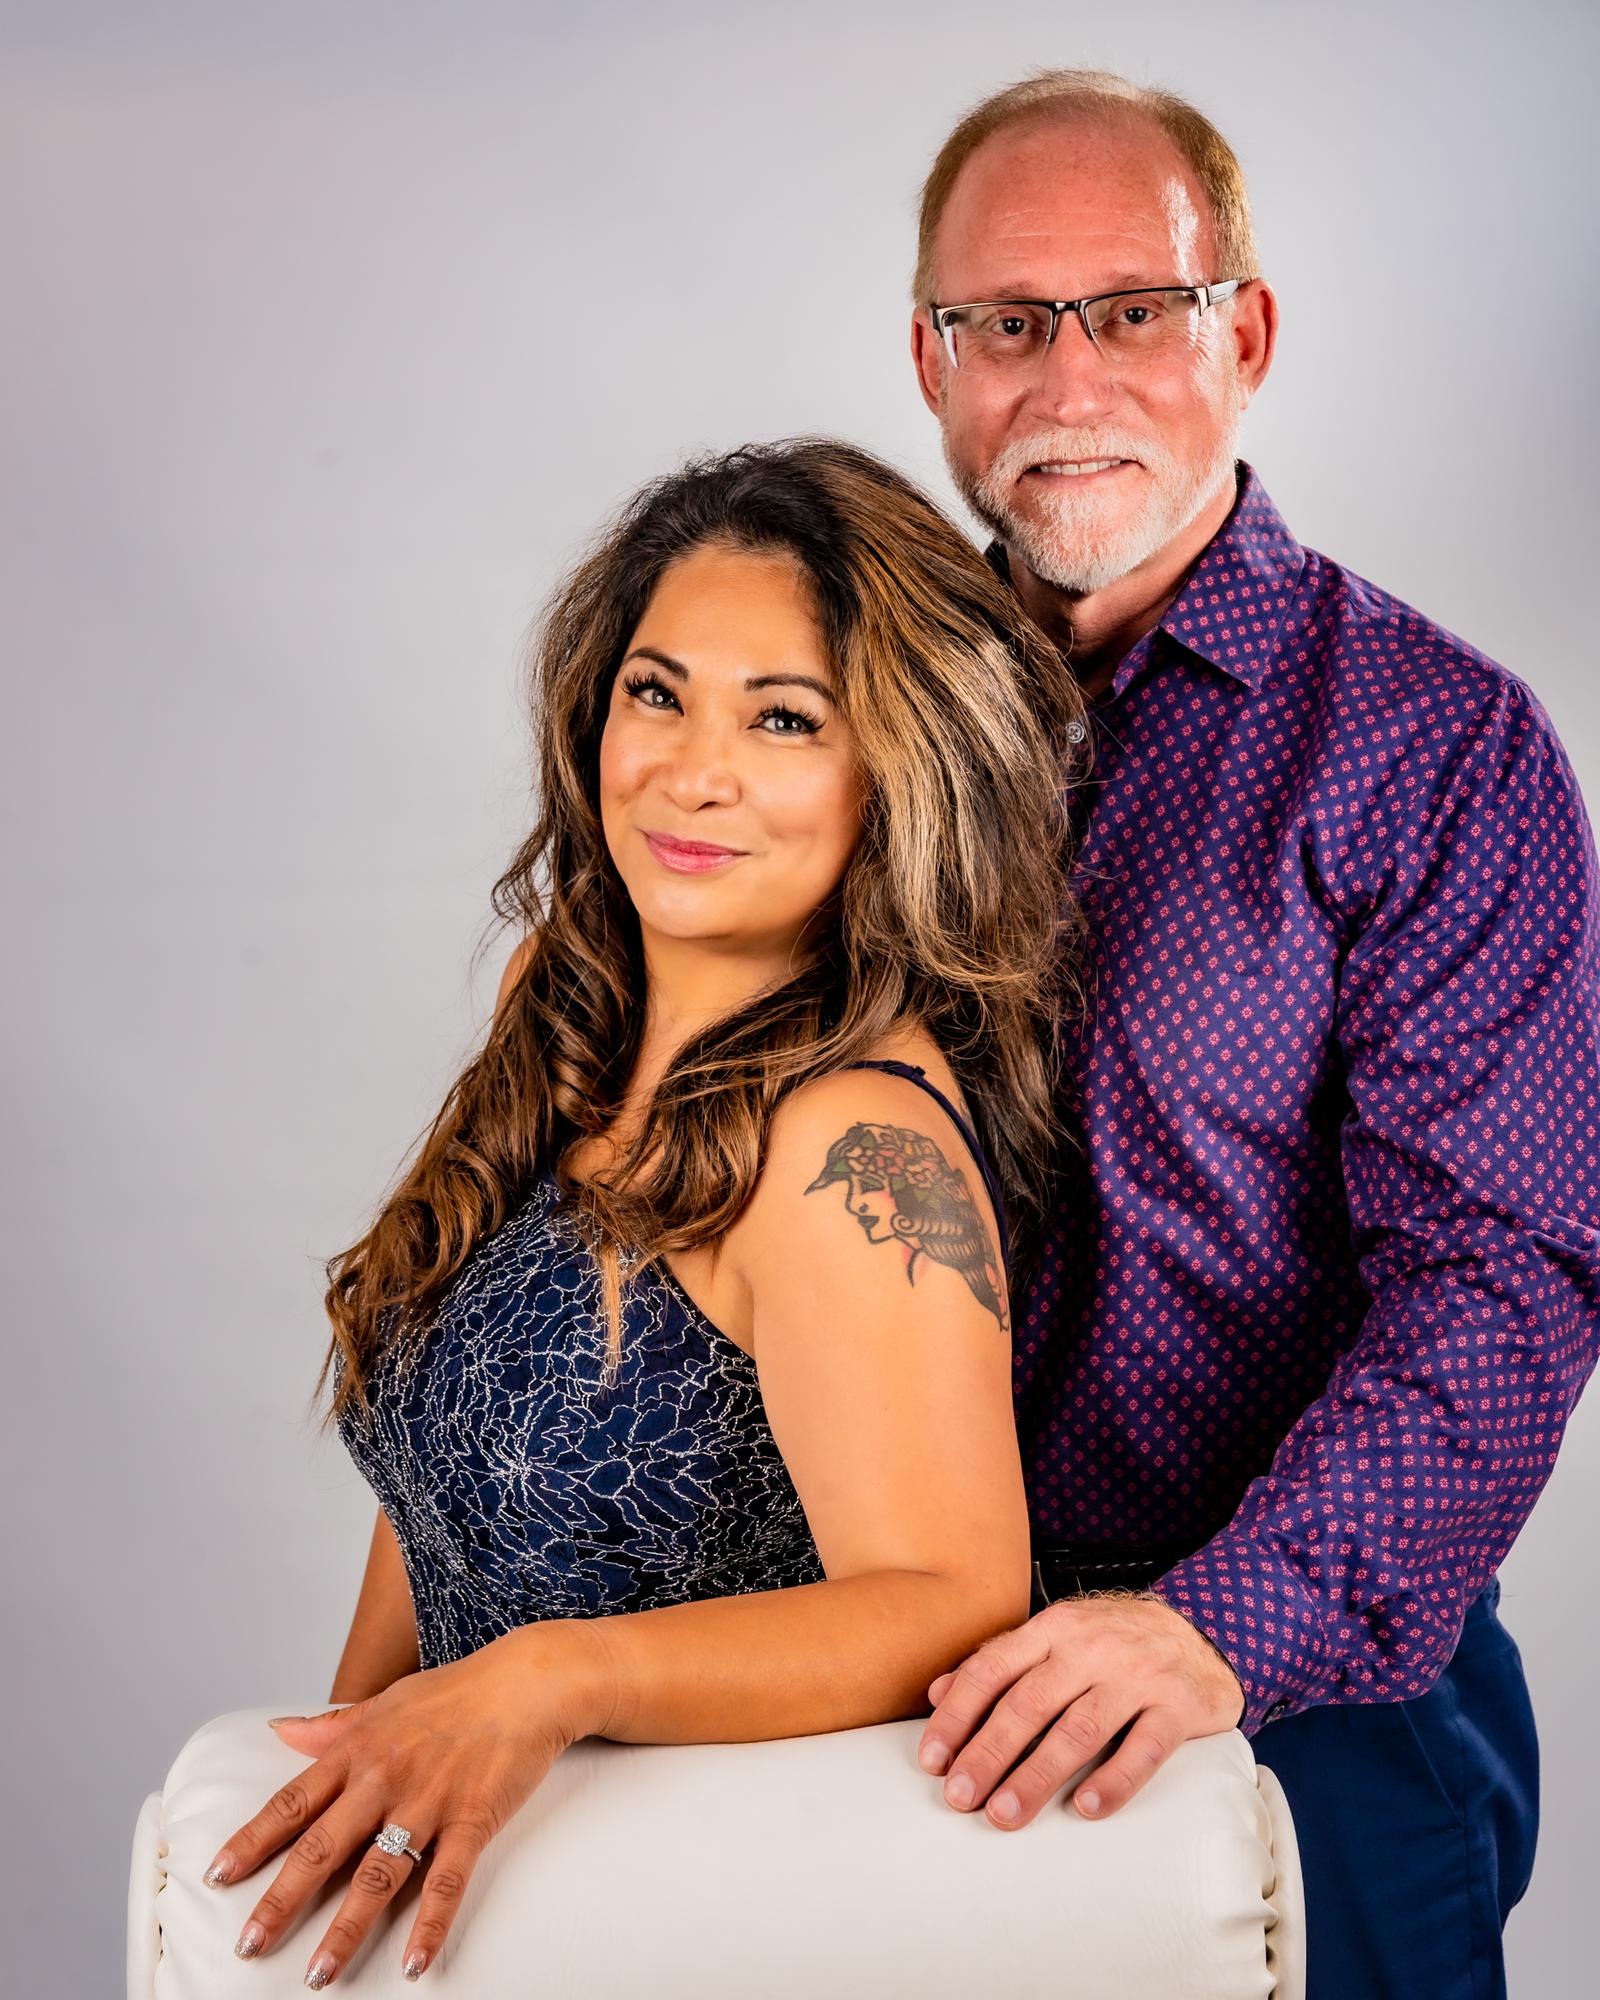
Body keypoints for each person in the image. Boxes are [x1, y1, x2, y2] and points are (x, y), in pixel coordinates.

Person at [196, 437, 1096, 1987]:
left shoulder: (852, 1148)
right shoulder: (567, 1004)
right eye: (658, 692)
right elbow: (446, 1473)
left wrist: (554, 1679)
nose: (693, 771)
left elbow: (952, 1599)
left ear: (900, 772)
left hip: (713, 1937)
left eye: (786, 720)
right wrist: (351, 1776)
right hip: (480, 1918)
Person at [904, 66, 1600, 2000]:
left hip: (1312, 1715)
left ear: (1247, 335)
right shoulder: (836, 732)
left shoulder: (1437, 749)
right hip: (892, 1721)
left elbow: (1503, 1274)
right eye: (1006, 324)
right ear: (931, 357)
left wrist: (1206, 1627)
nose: (1066, 379)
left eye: (1134, 310)